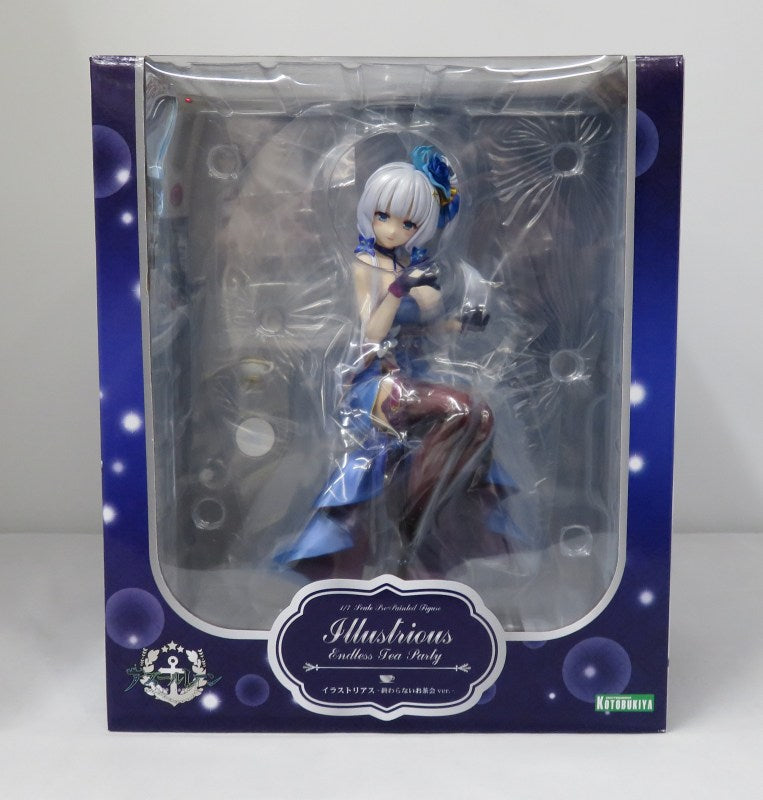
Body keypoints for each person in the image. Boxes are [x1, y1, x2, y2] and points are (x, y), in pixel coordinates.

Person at [275, 145, 519, 579]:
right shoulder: (366, 263)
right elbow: (371, 332)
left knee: (480, 416)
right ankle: (415, 525)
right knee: (460, 408)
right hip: (376, 380)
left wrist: (460, 324)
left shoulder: (413, 264)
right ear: (369, 212)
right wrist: (398, 289)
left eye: (407, 223)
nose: (392, 229)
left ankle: (436, 516)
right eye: (383, 216)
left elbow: (427, 326)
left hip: (413, 377)